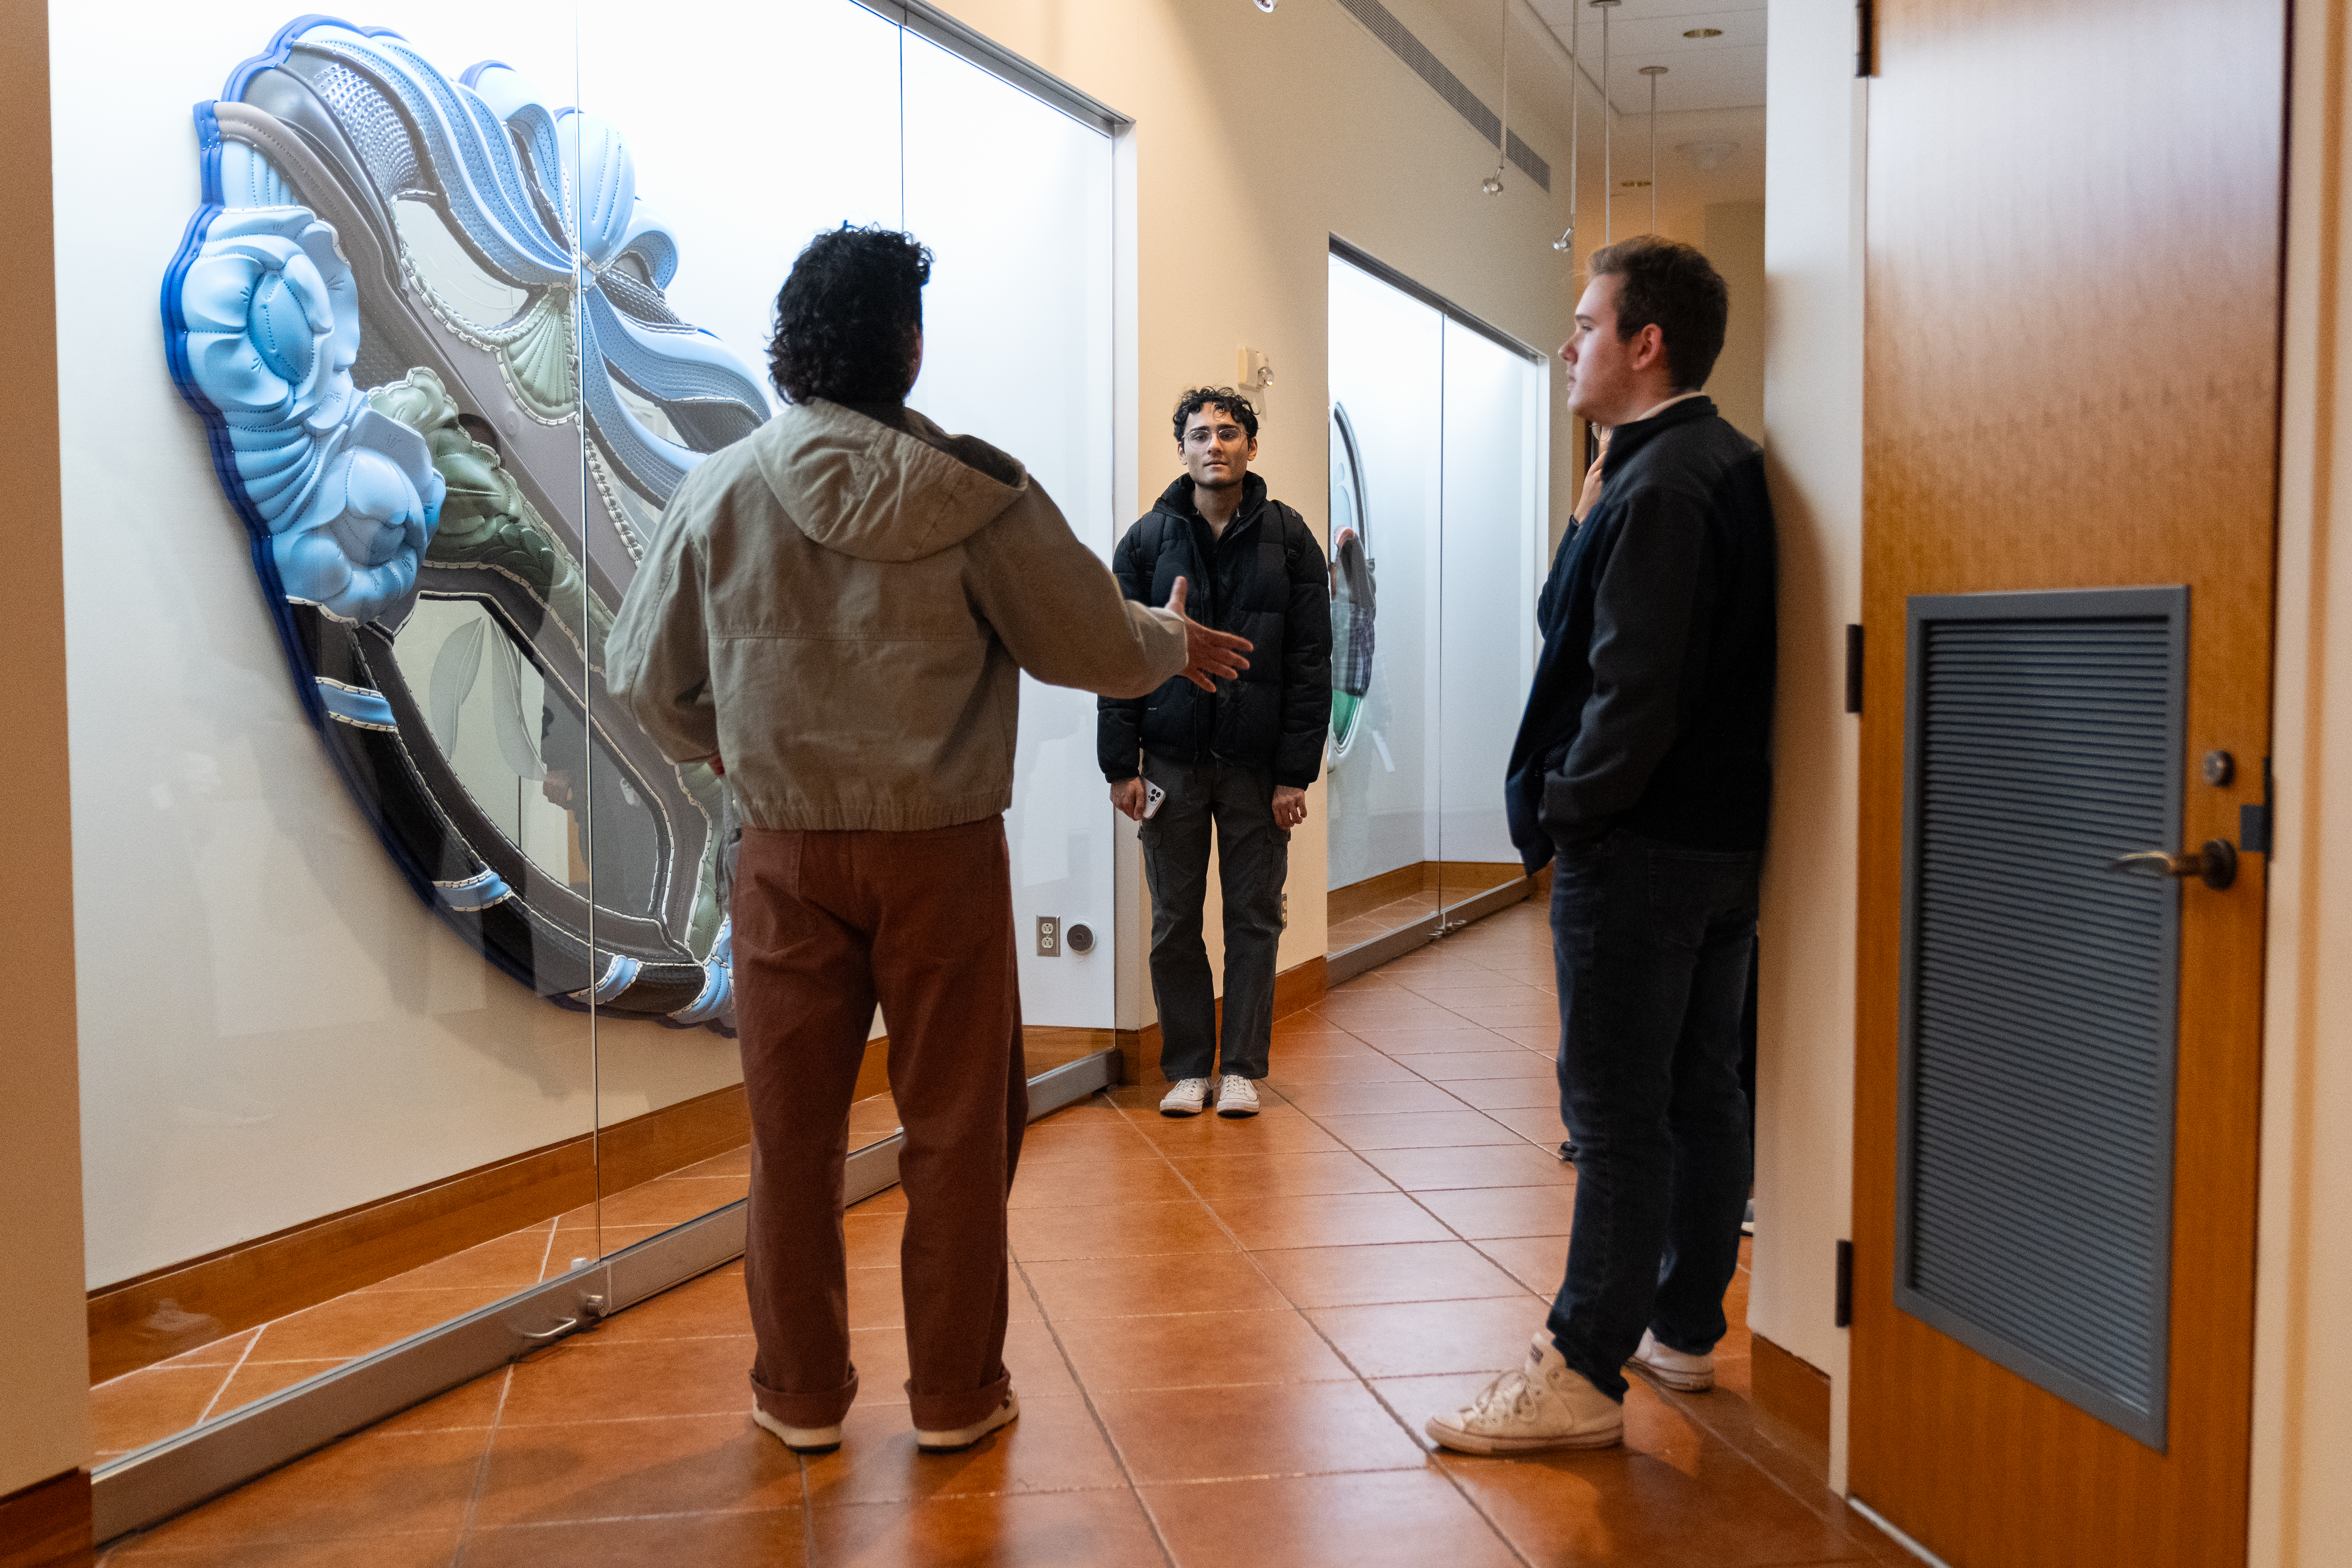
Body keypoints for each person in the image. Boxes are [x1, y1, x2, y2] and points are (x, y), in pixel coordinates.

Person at [607, 225, 1251, 1458]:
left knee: (789, 1140)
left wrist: (728, 743)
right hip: (942, 851)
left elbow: (644, 678)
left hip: (785, 853)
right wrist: (1171, 640)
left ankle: (798, 1394)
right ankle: (956, 1395)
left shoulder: (722, 486)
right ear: (908, 343)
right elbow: (1091, 646)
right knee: (958, 1128)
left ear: (793, 342)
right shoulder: (973, 494)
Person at [1428, 236, 1776, 1454]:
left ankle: (1581, 1366)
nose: (1568, 343)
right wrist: (1591, 497)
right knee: (1699, 1086)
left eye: (1585, 323)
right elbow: (1572, 621)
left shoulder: (1669, 484)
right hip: (1713, 843)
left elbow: (1633, 691)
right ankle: (1680, 1323)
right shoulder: (1685, 462)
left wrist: (1571, 811)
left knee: (1619, 1109)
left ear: (1647, 341)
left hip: (1641, 848)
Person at [1099, 388, 1332, 1119]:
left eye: (1228, 433)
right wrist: (1120, 765)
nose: (1214, 446)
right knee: (1174, 920)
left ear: (1251, 448)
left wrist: (1295, 774)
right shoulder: (1144, 542)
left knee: (1253, 916)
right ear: (1182, 451)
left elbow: (1311, 663)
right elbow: (1117, 657)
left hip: (1258, 768)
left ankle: (1241, 1070)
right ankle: (1188, 1067)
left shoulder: (1291, 540)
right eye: (1199, 435)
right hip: (1168, 762)